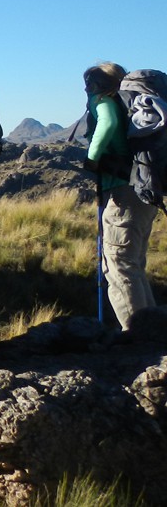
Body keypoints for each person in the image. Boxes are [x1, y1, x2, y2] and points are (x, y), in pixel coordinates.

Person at [85, 61, 156, 330]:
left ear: (95, 83)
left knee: (119, 266)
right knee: (134, 264)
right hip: (144, 189)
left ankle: (135, 334)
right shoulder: (129, 104)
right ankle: (151, 328)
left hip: (121, 193)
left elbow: (108, 122)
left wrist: (92, 157)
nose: (85, 89)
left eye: (87, 83)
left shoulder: (103, 101)